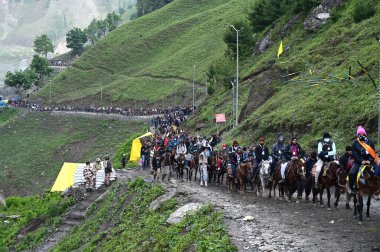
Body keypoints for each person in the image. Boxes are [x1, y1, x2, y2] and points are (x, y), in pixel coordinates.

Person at [349, 126, 378, 193]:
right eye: (359, 134)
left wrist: (369, 160)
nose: (361, 135)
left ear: (365, 134)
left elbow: (373, 153)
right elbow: (354, 154)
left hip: (369, 161)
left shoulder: (370, 142)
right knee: (352, 173)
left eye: (363, 134)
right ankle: (352, 187)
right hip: (359, 161)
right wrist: (361, 161)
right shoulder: (355, 143)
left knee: (378, 171)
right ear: (358, 135)